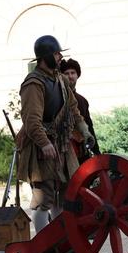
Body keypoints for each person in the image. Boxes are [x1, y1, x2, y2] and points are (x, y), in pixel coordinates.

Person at [17, 35, 95, 233]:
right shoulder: (33, 83)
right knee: (43, 196)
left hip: (60, 143)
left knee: (64, 193)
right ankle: (43, 243)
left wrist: (84, 130)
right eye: (56, 53)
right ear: (45, 57)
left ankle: (59, 240)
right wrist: (44, 143)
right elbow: (31, 120)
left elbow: (73, 108)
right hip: (41, 145)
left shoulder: (59, 79)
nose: (60, 57)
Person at [59, 58, 101, 162]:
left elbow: (89, 125)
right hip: (63, 149)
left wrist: (96, 152)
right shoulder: (57, 97)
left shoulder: (82, 101)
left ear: (77, 75)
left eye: (73, 73)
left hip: (81, 150)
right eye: (66, 73)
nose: (70, 76)